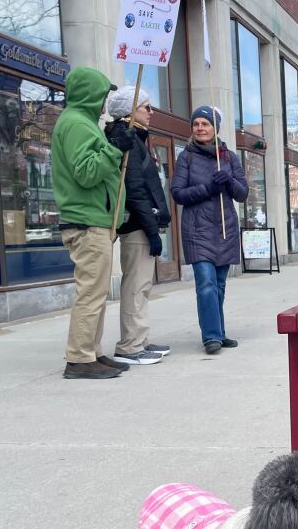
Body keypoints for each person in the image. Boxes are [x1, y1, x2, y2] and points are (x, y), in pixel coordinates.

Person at [51, 66, 132, 380]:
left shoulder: (81, 123)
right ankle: (80, 357)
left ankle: (91, 352)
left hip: (93, 219)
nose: (104, 101)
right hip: (87, 221)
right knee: (91, 292)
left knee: (96, 292)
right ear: (90, 93)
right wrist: (114, 149)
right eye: (102, 94)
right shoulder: (76, 124)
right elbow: (86, 173)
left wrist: (109, 143)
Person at [171, 105, 248, 354]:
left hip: (225, 229)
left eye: (205, 124)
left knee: (219, 285)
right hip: (198, 229)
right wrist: (207, 189)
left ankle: (219, 331)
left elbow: (243, 193)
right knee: (205, 282)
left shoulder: (229, 157)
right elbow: (178, 193)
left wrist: (229, 181)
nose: (200, 128)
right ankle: (211, 336)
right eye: (196, 124)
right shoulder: (187, 157)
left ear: (215, 128)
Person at [104, 86, 172, 366]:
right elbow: (135, 190)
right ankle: (130, 345)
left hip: (143, 224)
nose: (152, 112)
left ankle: (139, 339)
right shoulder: (127, 140)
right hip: (136, 226)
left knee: (142, 287)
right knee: (135, 286)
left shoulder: (138, 140)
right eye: (146, 107)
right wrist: (151, 230)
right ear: (130, 110)